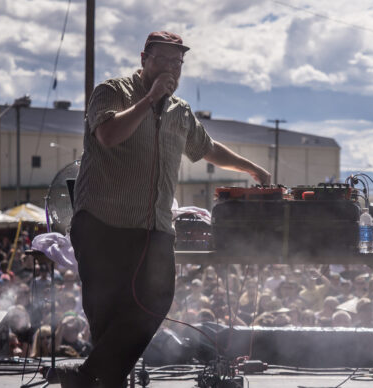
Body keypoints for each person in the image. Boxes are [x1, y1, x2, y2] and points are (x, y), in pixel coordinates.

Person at [67, 31, 270, 388]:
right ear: (144, 58)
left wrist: (250, 168)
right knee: (106, 315)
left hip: (155, 226)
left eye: (178, 62)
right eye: (163, 59)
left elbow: (206, 148)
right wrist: (149, 99)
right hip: (103, 223)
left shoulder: (180, 111)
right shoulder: (112, 92)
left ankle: (86, 376)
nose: (171, 68)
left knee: (156, 301)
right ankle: (104, 381)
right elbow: (109, 135)